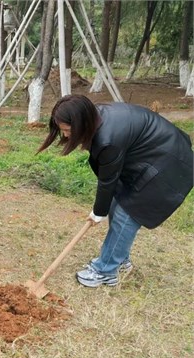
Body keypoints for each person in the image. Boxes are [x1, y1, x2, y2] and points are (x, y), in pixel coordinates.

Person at [38, 95, 193, 287]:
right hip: (152, 157)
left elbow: (107, 180)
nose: (67, 136)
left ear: (81, 123)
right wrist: (101, 209)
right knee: (116, 204)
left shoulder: (107, 139)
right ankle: (119, 259)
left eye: (68, 130)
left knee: (126, 215)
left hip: (167, 165)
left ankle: (106, 271)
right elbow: (109, 180)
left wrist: (98, 212)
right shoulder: (97, 117)